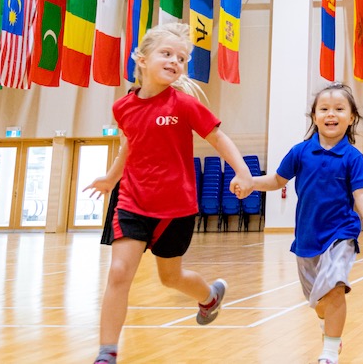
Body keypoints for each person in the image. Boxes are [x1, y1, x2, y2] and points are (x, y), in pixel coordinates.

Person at [84, 23, 253, 364]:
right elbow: (129, 146)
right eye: (167, 53)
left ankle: (209, 296)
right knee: (119, 272)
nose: (175, 61)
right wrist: (111, 178)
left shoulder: (184, 105)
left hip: (176, 207)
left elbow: (218, 138)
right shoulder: (122, 108)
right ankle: (107, 352)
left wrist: (243, 171)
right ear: (142, 59)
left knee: (170, 277)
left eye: (182, 58)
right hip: (132, 202)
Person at [243, 82, 363, 364]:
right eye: (324, 109)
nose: (331, 114)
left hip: (341, 234)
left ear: (351, 117)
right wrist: (251, 183)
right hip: (307, 238)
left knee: (335, 287)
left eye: (339, 109)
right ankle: (328, 324)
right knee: (318, 303)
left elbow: (361, 192)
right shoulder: (300, 152)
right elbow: (277, 180)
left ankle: (330, 351)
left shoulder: (353, 157)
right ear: (314, 116)